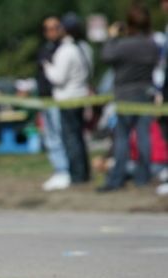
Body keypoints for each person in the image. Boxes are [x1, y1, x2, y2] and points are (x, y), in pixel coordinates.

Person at [98, 4, 159, 192]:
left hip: (124, 93)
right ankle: (143, 176)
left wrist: (113, 36)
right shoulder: (152, 44)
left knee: (122, 138)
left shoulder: (123, 45)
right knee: (143, 136)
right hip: (145, 92)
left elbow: (105, 56)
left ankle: (116, 178)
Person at [43, 13, 93, 185]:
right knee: (79, 137)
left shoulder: (66, 50)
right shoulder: (84, 48)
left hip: (67, 98)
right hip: (80, 96)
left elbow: (58, 77)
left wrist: (47, 65)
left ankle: (77, 175)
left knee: (70, 138)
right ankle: (83, 173)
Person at [38, 16, 71, 191]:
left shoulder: (65, 48)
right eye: (46, 28)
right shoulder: (45, 48)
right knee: (50, 137)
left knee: (60, 135)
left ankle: (64, 170)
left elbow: (57, 76)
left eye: (54, 28)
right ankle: (59, 170)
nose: (50, 32)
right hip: (45, 98)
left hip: (59, 99)